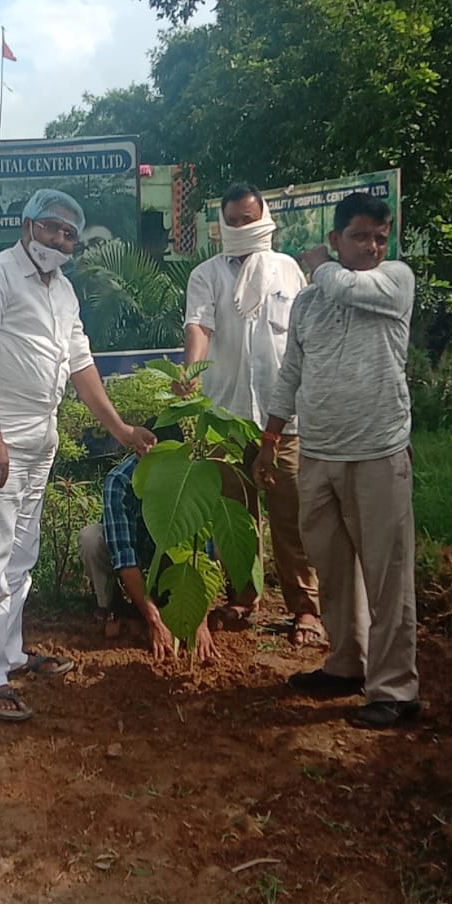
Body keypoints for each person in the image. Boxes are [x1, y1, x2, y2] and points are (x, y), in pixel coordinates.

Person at [0, 189, 156, 723]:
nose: (60, 241)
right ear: (27, 225)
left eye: (70, 235)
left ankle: (11, 654)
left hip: (41, 438)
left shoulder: (64, 291)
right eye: (51, 229)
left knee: (21, 553)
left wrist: (121, 427)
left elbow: (80, 365)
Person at [254, 192, 418, 730]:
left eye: (379, 235)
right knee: (333, 566)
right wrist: (272, 436)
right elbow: (291, 373)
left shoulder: (393, 281)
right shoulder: (308, 304)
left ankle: (394, 689)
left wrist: (318, 266)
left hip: (377, 451)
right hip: (319, 452)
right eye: (360, 236)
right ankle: (348, 663)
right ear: (336, 238)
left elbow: (345, 283)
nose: (373, 246)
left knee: (387, 573)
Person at [180, 184, 324, 645]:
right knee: (235, 519)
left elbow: (302, 338)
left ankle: (306, 609)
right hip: (227, 414)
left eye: (249, 219)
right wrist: (191, 372)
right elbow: (199, 324)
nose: (242, 228)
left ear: (265, 218)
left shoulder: (290, 272)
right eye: (234, 222)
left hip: (284, 418)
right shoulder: (207, 275)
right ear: (223, 224)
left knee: (291, 514)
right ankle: (245, 596)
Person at [79, 445, 218, 663]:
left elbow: (199, 553)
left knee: (215, 541)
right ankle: (113, 608)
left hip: (166, 555)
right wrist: (155, 622)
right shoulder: (120, 481)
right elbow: (124, 556)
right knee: (91, 539)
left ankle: (169, 604)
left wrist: (199, 618)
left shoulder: (189, 478)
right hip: (134, 551)